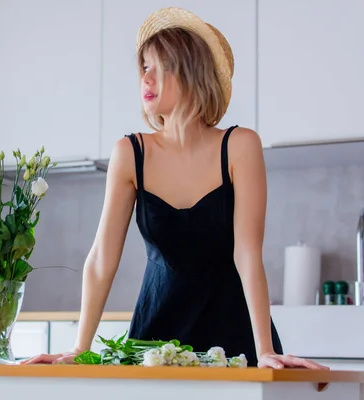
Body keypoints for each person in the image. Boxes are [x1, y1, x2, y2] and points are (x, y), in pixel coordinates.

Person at [22, 7, 327, 369]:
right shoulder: (130, 153)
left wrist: (264, 351)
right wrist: (79, 349)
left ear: (192, 70)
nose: (146, 79)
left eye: (159, 66)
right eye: (143, 68)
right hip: (154, 340)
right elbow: (102, 260)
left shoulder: (240, 146)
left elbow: (247, 254)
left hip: (234, 335)